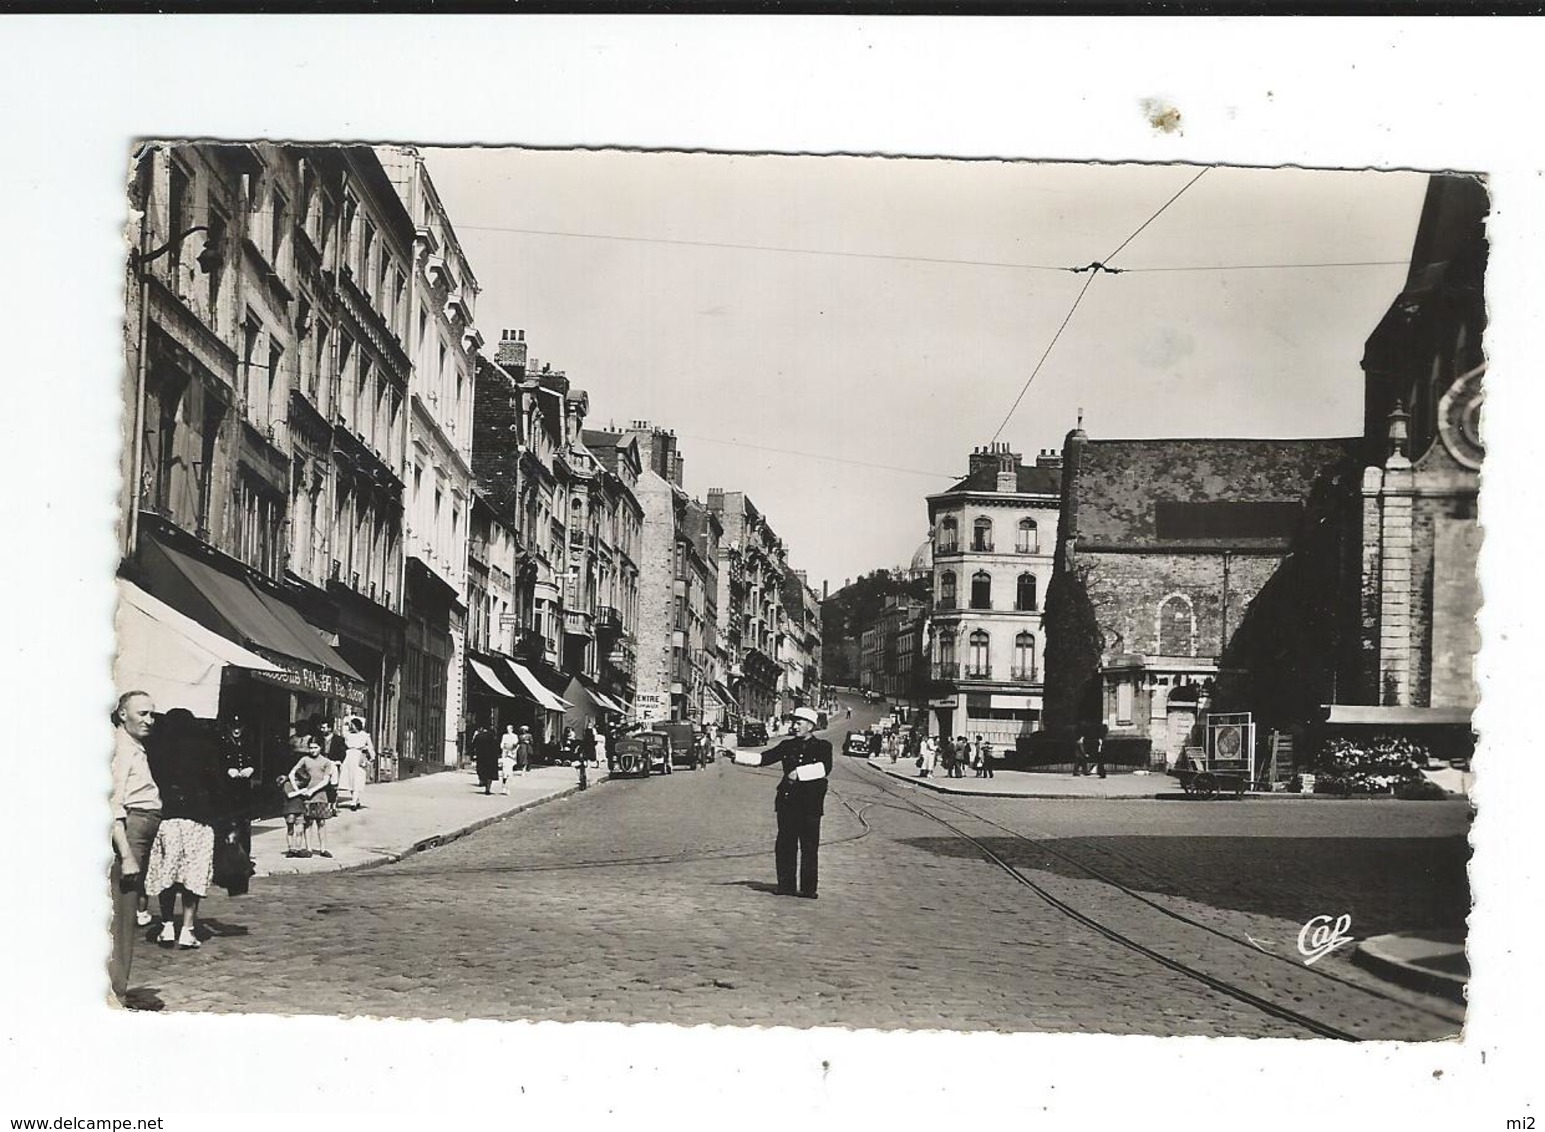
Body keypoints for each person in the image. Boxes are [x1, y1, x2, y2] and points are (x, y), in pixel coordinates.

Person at [733, 706, 833, 899]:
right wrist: (736, 756)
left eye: (799, 723)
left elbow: (824, 768)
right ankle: (785, 885)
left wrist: (799, 773)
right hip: (788, 803)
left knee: (809, 847)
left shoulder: (823, 746)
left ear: (810, 726)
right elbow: (763, 758)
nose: (794, 726)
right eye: (793, 722)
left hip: (811, 805)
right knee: (785, 844)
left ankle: (808, 889)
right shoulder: (787, 746)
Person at [144, 708, 223, 951]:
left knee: (168, 874)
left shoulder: (156, 750)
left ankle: (167, 925)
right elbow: (217, 783)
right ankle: (187, 929)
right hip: (197, 821)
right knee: (193, 876)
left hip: (168, 819)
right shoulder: (205, 748)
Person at [110, 691, 163, 1005]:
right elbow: (113, 801)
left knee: (126, 910)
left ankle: (116, 988)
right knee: (123, 910)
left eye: (151, 714)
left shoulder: (133, 746)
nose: (149, 720)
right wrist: (127, 854)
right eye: (142, 714)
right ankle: (115, 992)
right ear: (122, 715)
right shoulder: (121, 748)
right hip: (131, 830)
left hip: (141, 826)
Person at [288, 735, 337, 858]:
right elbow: (291, 773)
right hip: (307, 797)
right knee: (308, 823)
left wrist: (313, 790)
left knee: (321, 822)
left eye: (315, 747)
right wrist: (297, 789)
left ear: (320, 747)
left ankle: (322, 849)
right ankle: (308, 848)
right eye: (310, 748)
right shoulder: (305, 759)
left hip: (321, 796)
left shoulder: (326, 762)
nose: (313, 750)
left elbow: (326, 781)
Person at [336, 717, 375, 810]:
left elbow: (370, 747)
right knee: (349, 779)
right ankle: (356, 800)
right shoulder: (347, 735)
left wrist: (371, 757)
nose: (351, 727)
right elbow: (343, 746)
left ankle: (353, 802)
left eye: (352, 725)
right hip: (348, 757)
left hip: (359, 756)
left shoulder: (364, 735)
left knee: (357, 778)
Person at [473, 722, 500, 794]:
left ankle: (482, 780)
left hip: (481, 756)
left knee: (482, 770)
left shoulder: (479, 736)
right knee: (490, 774)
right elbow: (497, 747)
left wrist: (474, 754)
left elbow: (474, 745)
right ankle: (488, 788)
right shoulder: (493, 737)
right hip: (491, 758)